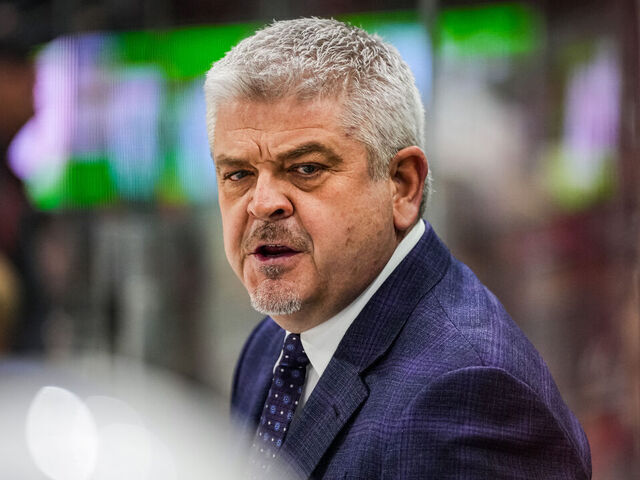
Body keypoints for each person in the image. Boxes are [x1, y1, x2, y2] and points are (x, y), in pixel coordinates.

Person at [204, 18, 591, 479]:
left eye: (306, 168)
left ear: (403, 186)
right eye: (238, 174)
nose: (263, 204)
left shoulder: (468, 395)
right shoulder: (273, 343)